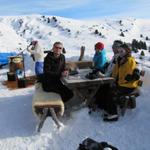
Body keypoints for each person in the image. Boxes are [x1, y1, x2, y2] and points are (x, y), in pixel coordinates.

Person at [102, 43, 140, 121]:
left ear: (127, 51)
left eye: (122, 51)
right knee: (106, 88)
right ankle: (109, 110)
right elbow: (115, 72)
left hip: (129, 86)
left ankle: (114, 115)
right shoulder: (120, 60)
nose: (120, 53)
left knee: (112, 93)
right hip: (122, 84)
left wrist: (116, 83)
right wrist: (113, 79)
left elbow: (128, 76)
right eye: (119, 51)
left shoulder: (130, 61)